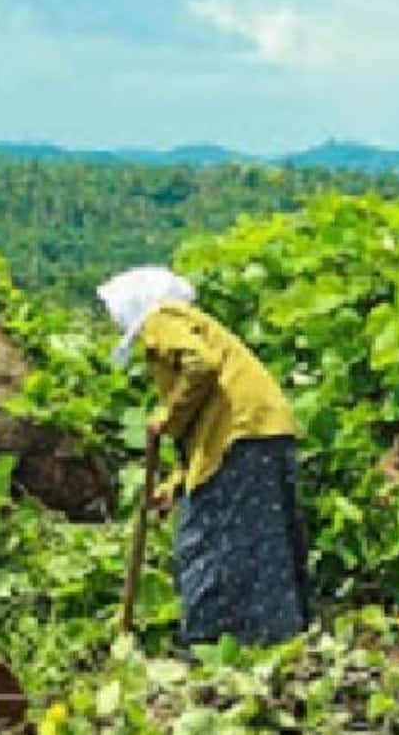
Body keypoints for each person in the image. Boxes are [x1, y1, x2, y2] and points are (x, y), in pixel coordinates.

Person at [99, 267, 311, 648]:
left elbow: (201, 366)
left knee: (208, 544)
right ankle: (270, 642)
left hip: (243, 433)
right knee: (263, 543)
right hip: (262, 430)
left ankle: (210, 644)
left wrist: (166, 417)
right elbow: (205, 429)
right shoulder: (191, 322)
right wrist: (174, 485)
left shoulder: (161, 318)